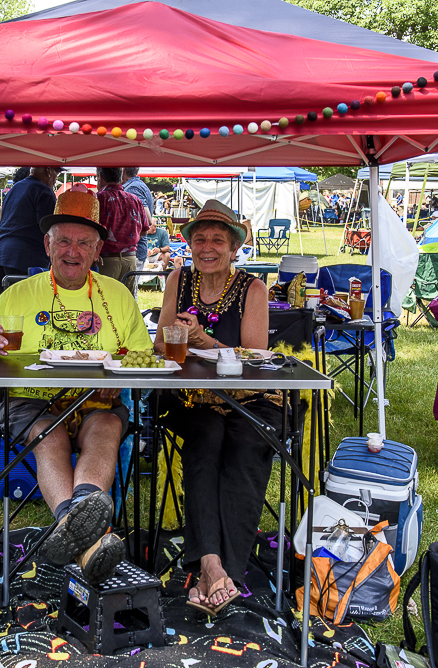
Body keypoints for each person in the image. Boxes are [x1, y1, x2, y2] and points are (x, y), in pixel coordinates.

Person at [0, 185, 151, 583]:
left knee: (105, 429)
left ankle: (72, 521)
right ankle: (88, 535)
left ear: (98, 251)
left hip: (95, 401)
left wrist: (118, 378)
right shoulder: (17, 295)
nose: (72, 250)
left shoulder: (117, 295)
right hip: (31, 403)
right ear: (47, 245)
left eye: (84, 242)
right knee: (49, 436)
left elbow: (143, 358)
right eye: (63, 240)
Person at [153, 199, 280, 616]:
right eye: (199, 239)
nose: (207, 247)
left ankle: (221, 571)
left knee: (246, 445)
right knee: (206, 436)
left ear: (234, 248)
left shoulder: (253, 288)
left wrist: (204, 341)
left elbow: (253, 360)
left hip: (250, 399)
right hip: (191, 398)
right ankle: (211, 563)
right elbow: (160, 345)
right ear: (189, 244)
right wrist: (179, 337)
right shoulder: (179, 278)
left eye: (218, 240)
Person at [0, 166, 62, 301]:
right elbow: (50, 229)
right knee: (25, 310)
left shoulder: (15, 189)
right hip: (24, 258)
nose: (54, 181)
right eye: (56, 177)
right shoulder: (44, 191)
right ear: (49, 171)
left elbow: (2, 218)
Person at [95, 167, 147, 293]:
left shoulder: (98, 199)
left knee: (104, 303)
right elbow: (145, 230)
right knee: (125, 303)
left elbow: (89, 230)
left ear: (100, 178)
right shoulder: (135, 199)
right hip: (130, 259)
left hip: (105, 260)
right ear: (121, 177)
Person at [123, 168, 155, 287]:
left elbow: (146, 219)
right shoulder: (137, 185)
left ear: (123, 170)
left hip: (134, 251)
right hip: (136, 250)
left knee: (128, 294)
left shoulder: (133, 188)